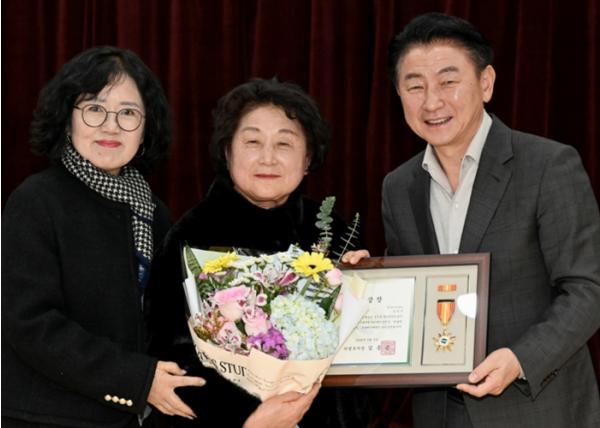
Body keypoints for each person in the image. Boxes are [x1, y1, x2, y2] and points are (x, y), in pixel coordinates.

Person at [375, 11, 600, 428]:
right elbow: (412, 299)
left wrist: (520, 359)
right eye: (415, 86)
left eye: (448, 81)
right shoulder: (399, 186)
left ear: (486, 82)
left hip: (537, 410)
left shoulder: (547, 165)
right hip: (439, 413)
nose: (432, 102)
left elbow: (588, 289)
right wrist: (365, 283)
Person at [145, 78, 371, 427]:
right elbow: (170, 355)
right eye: (252, 141)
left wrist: (368, 282)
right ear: (227, 152)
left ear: (308, 158)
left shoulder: (333, 233)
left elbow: (361, 357)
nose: (268, 157)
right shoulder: (191, 236)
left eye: (284, 143)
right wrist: (250, 418)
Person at [1, 46, 207, 427]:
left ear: (145, 129)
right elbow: (30, 323)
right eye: (94, 109)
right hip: (50, 419)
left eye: (128, 113)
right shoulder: (35, 201)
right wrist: (137, 380)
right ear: (67, 120)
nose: (111, 126)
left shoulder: (154, 212)